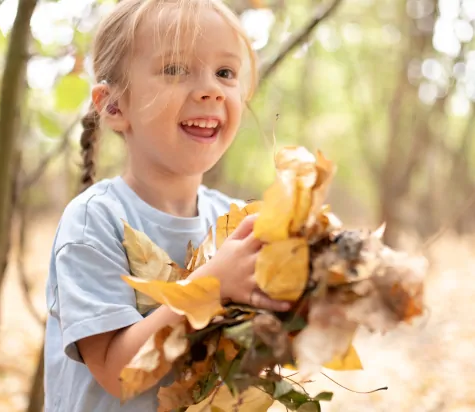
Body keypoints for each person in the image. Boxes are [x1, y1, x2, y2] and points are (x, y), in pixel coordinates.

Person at [43, 0, 292, 410]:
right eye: (175, 69)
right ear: (114, 106)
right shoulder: (95, 220)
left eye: (225, 73)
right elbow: (116, 372)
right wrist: (211, 285)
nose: (212, 88)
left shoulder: (234, 222)